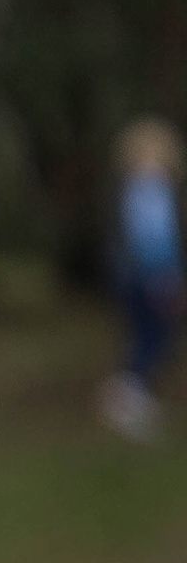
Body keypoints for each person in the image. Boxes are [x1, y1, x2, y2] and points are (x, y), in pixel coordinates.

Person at [100, 118, 183, 443]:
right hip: (151, 276)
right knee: (156, 336)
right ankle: (126, 395)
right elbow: (154, 239)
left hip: (130, 275)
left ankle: (131, 394)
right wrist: (166, 278)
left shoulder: (131, 187)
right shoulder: (151, 188)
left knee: (142, 334)